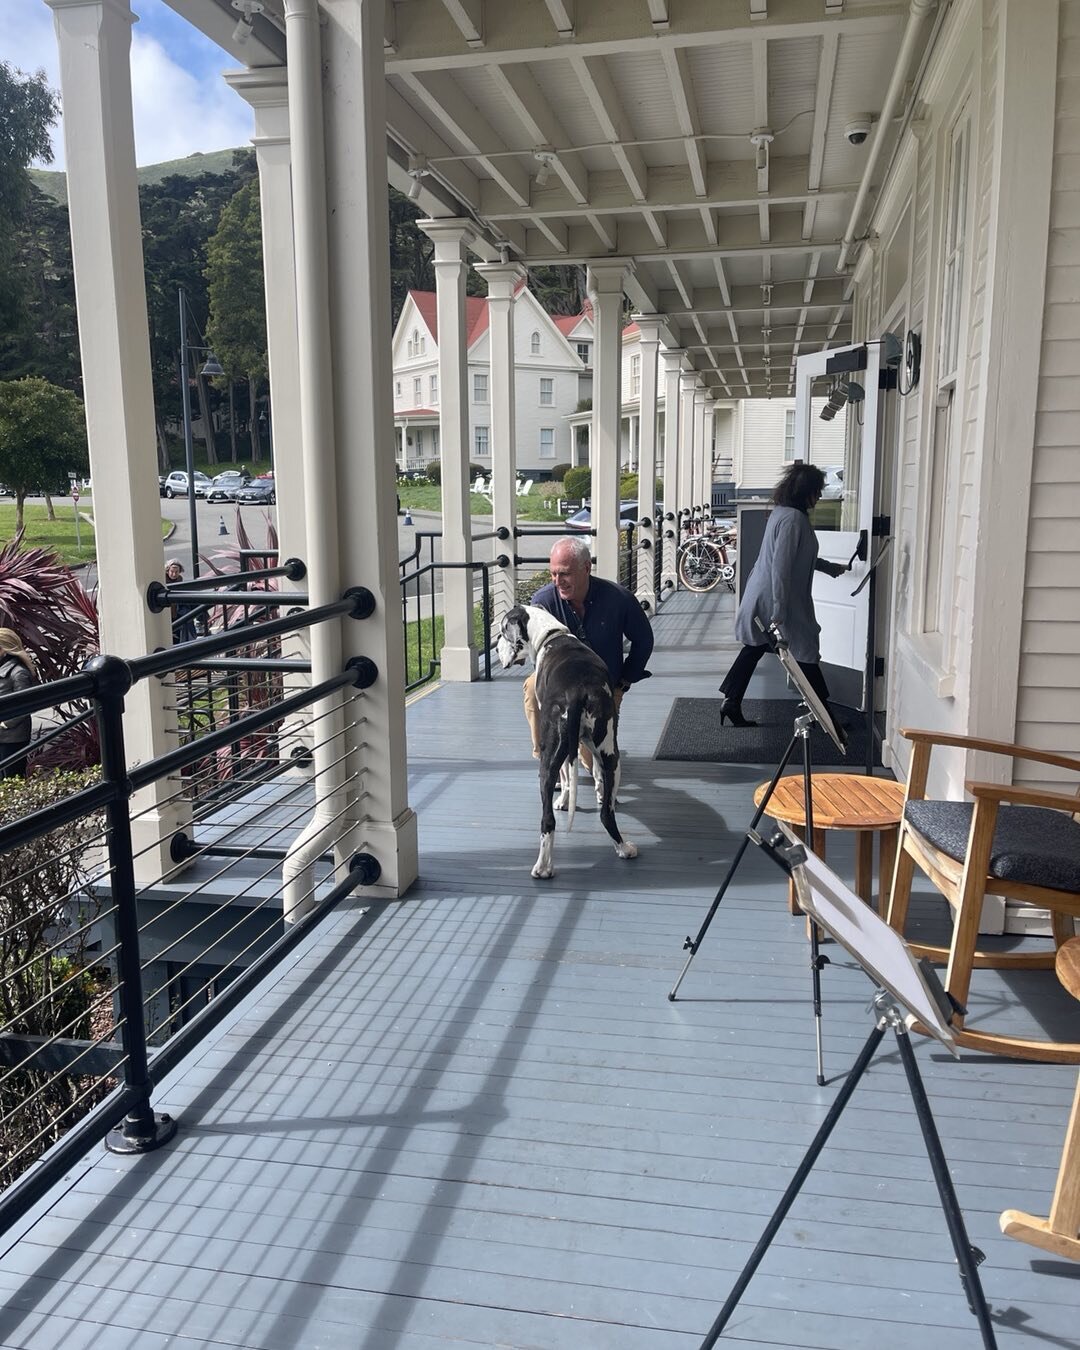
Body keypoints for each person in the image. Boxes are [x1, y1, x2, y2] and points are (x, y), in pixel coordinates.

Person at [718, 462, 848, 728]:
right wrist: (779, 611)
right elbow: (782, 567)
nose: (820, 496)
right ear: (806, 492)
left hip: (767, 594)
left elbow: (795, 555)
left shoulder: (783, 513)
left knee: (754, 649)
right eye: (817, 491)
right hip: (777, 599)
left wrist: (828, 567)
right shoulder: (793, 519)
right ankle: (826, 718)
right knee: (806, 653)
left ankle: (731, 702)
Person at [524, 535, 654, 767]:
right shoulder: (543, 602)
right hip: (557, 681)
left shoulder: (619, 599)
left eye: (564, 573)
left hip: (602, 685)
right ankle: (546, 756)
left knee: (593, 764)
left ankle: (587, 748)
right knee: (533, 687)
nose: (557, 581)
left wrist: (623, 683)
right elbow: (536, 650)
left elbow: (644, 640)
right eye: (553, 574)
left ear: (586, 567)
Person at [0, 628, 37, 779]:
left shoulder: (19, 672)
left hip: (12, 737)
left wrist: (4, 724)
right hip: (4, 736)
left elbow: (25, 706)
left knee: (11, 777)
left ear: (4, 649)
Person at [165, 558, 200, 644]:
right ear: (167, 571)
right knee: (186, 614)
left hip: (178, 605)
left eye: (176, 572)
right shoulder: (163, 580)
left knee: (192, 605)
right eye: (172, 571)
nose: (174, 574)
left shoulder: (180, 579)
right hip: (170, 608)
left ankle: (201, 620)